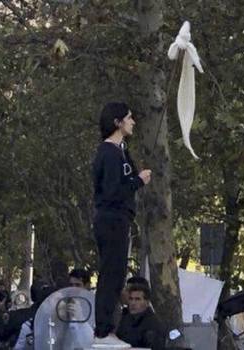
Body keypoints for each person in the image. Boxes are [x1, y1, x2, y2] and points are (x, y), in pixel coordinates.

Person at [92, 102, 151, 348]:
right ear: (117, 122)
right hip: (111, 219)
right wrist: (137, 181)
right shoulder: (107, 153)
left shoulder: (121, 150)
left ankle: (107, 329)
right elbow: (112, 191)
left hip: (120, 219)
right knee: (111, 275)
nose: (133, 121)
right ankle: (103, 331)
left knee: (117, 275)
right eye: (128, 118)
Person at [117, 284, 165, 350]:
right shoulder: (124, 318)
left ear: (147, 302)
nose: (133, 303)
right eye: (131, 299)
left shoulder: (152, 323)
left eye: (137, 299)